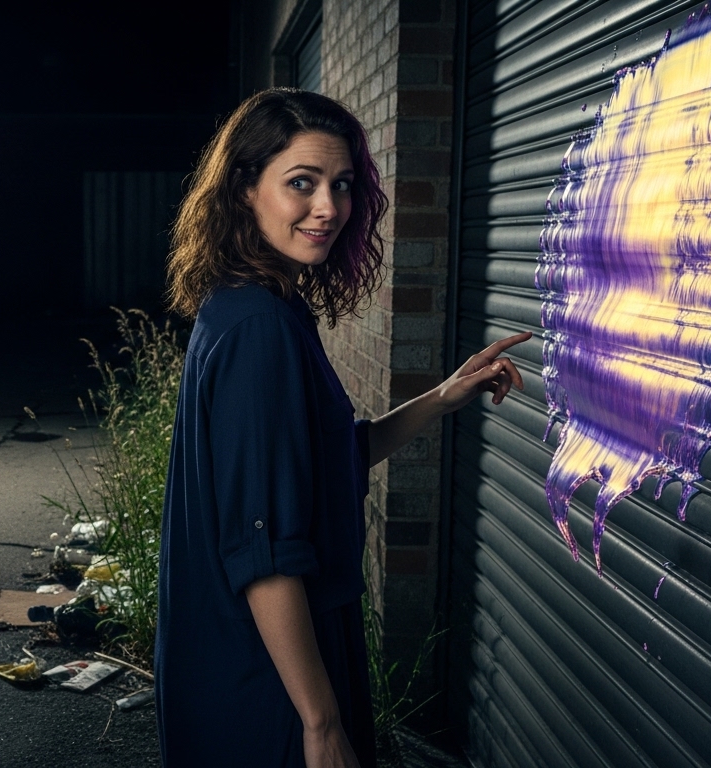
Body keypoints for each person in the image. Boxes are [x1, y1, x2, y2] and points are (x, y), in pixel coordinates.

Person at [156, 88, 529, 767]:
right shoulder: (260, 330)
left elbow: (326, 464)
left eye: (343, 184)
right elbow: (264, 547)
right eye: (302, 183)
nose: (328, 207)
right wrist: (322, 722)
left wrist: (443, 396)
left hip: (260, 657)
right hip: (269, 679)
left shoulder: (254, 304)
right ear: (244, 188)